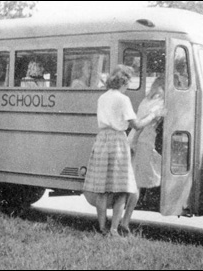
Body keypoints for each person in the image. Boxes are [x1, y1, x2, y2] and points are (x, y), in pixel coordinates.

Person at [83, 65, 165, 237]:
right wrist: (152, 116)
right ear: (125, 81)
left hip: (102, 140)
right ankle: (114, 229)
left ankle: (102, 227)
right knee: (122, 188)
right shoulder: (123, 99)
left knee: (102, 188)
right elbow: (136, 125)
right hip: (118, 141)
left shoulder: (103, 97)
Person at [122, 76, 166, 231]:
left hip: (136, 139)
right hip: (143, 142)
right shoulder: (160, 103)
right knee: (137, 183)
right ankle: (125, 221)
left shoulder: (146, 100)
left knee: (133, 181)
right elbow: (143, 125)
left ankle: (124, 219)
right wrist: (135, 142)